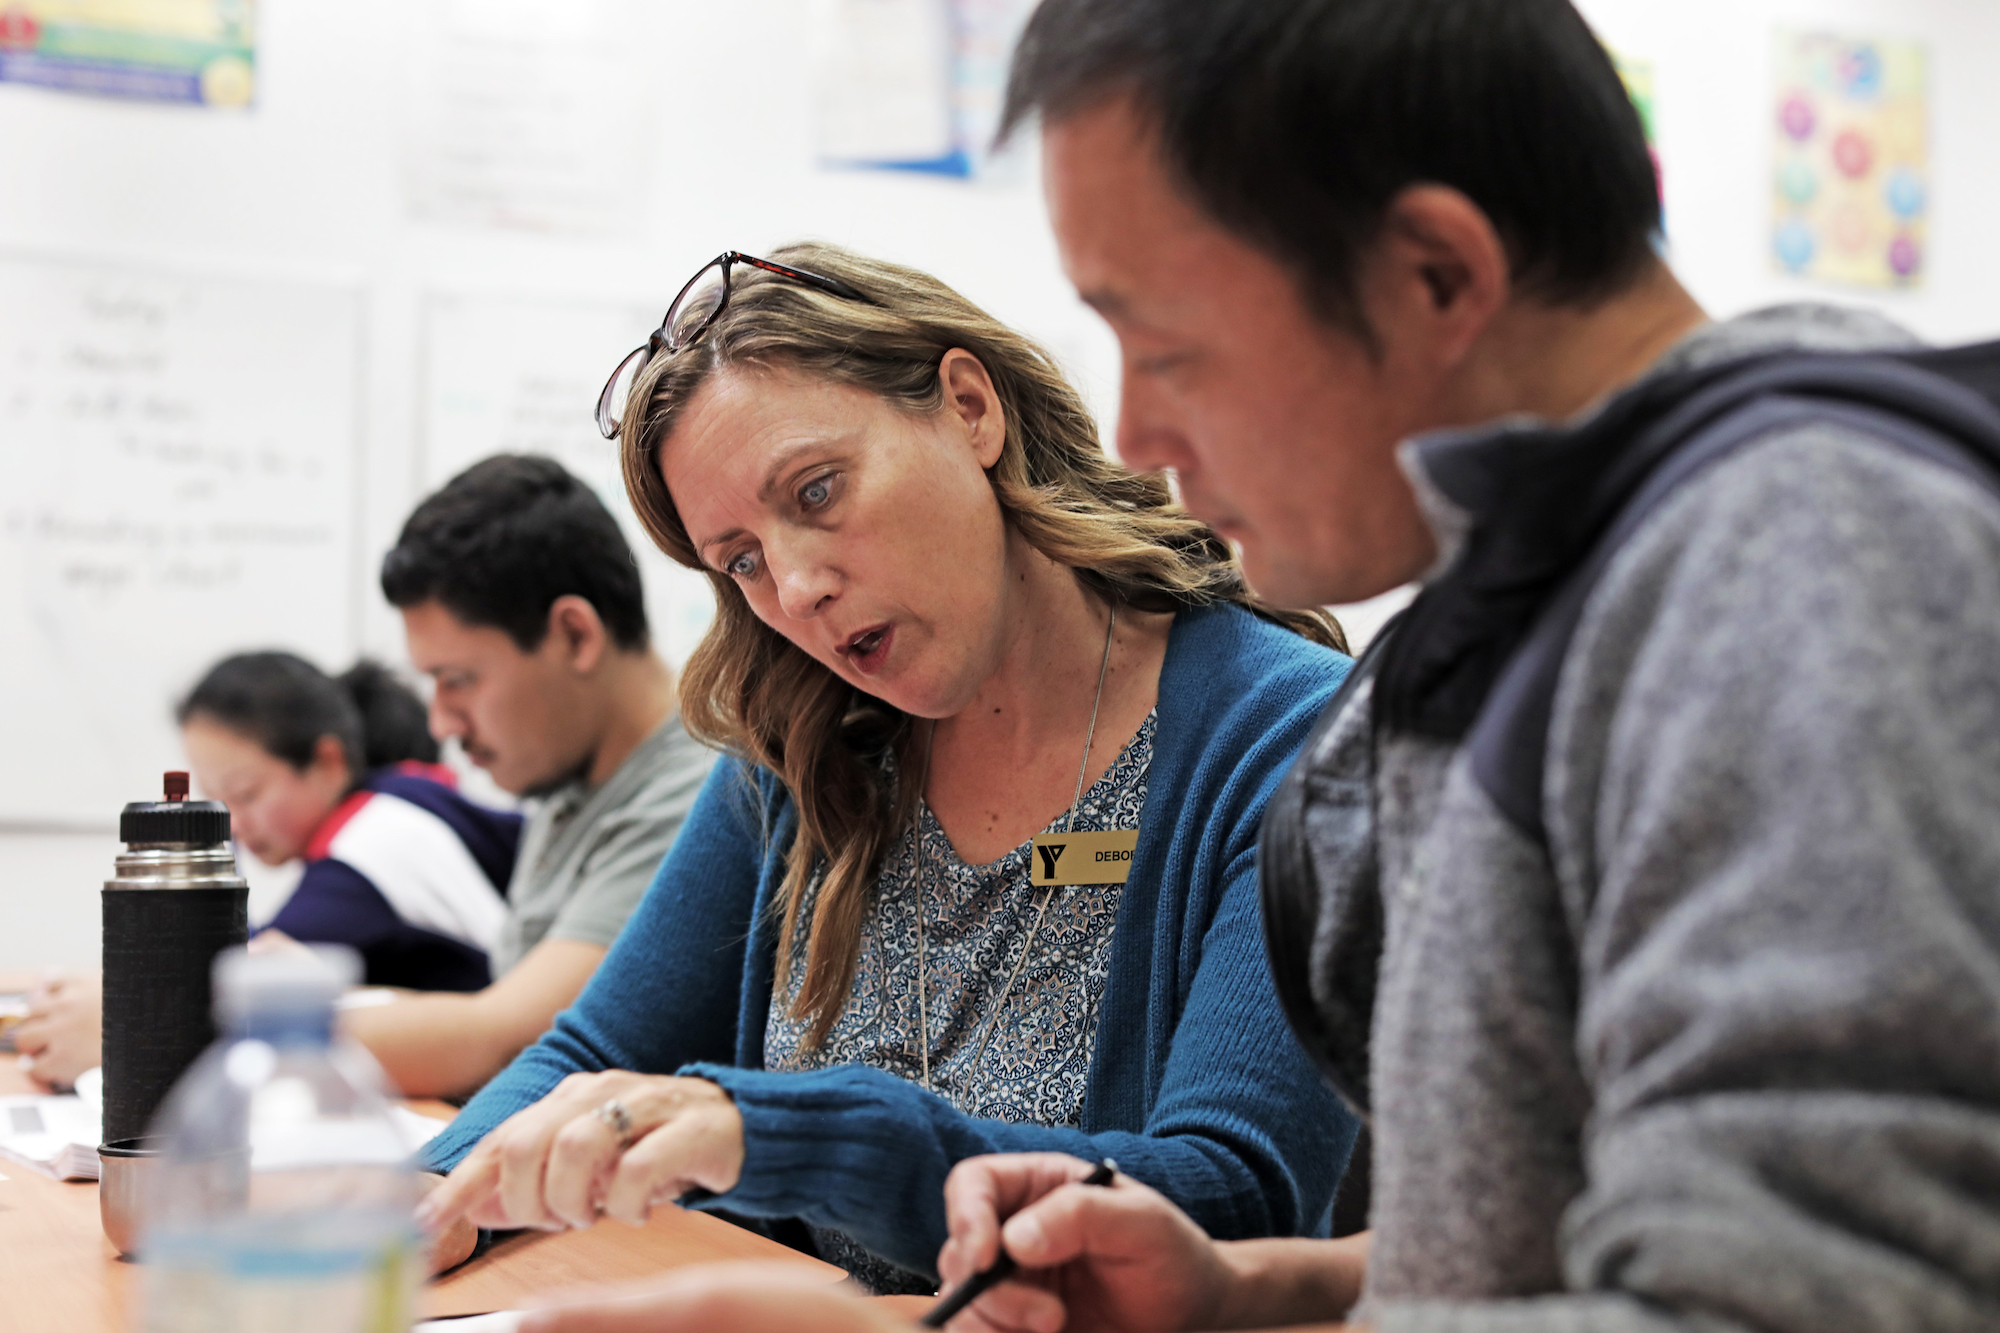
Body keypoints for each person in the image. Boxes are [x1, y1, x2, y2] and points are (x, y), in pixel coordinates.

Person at [507, 0, 2000, 1330]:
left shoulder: (1801, 553)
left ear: (1433, 271)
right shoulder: (1525, 618)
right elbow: (1511, 1260)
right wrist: (1245, 1293)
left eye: (1170, 345)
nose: (1141, 436)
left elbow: (1806, 1293)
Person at [414, 243, 1361, 1292]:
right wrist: (420, 1205)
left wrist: (778, 1132)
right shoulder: (804, 742)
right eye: (740, 559)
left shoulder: (1285, 732)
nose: (797, 585)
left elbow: (1228, 1196)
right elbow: (590, 1056)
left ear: (968, 407)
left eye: (817, 491)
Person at [346, 455, 717, 1101]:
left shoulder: (699, 793)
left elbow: (509, 1037)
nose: (440, 719)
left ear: (574, 635)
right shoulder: (568, 772)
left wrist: (222, 1033)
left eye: (457, 679)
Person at [16, 654, 520, 1090]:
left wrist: (125, 1022)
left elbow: (237, 974)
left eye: (246, 793)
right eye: (221, 800)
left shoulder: (374, 844)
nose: (232, 823)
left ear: (327, 761)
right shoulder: (400, 801)